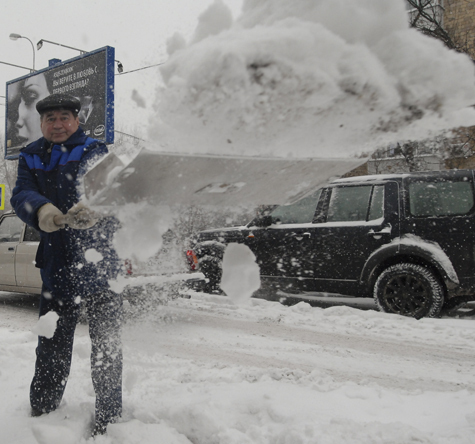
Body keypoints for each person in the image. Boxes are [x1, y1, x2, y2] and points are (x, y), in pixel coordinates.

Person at [10, 93, 122, 437]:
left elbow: (117, 189)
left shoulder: (95, 151)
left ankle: (110, 414)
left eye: (63, 117)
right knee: (52, 340)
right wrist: (43, 210)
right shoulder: (31, 156)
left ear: (76, 120)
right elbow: (22, 194)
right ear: (41, 123)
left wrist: (95, 208)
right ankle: (43, 406)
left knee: (107, 342)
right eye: (50, 119)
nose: (57, 124)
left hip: (100, 260)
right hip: (57, 263)